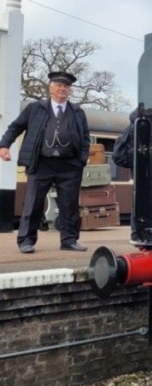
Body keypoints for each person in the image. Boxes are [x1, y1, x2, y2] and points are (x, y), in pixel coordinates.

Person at [0, 71, 91, 253]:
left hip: (69, 165)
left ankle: (69, 240)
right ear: (50, 88)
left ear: (69, 90)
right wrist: (4, 145)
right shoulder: (35, 108)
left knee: (69, 205)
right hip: (41, 163)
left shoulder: (77, 112)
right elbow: (15, 127)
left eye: (66, 86)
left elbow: (85, 137)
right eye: (58, 85)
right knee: (33, 203)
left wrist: (81, 159)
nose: (62, 89)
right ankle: (26, 241)